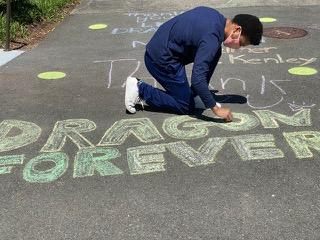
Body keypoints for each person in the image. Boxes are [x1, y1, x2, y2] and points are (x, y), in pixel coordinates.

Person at [125, 6, 263, 122]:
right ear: (237, 30)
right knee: (185, 106)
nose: (239, 47)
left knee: (215, 53)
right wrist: (215, 108)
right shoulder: (211, 39)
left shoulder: (216, 18)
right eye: (242, 43)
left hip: (166, 50)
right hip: (160, 58)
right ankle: (140, 89)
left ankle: (194, 96)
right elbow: (198, 79)